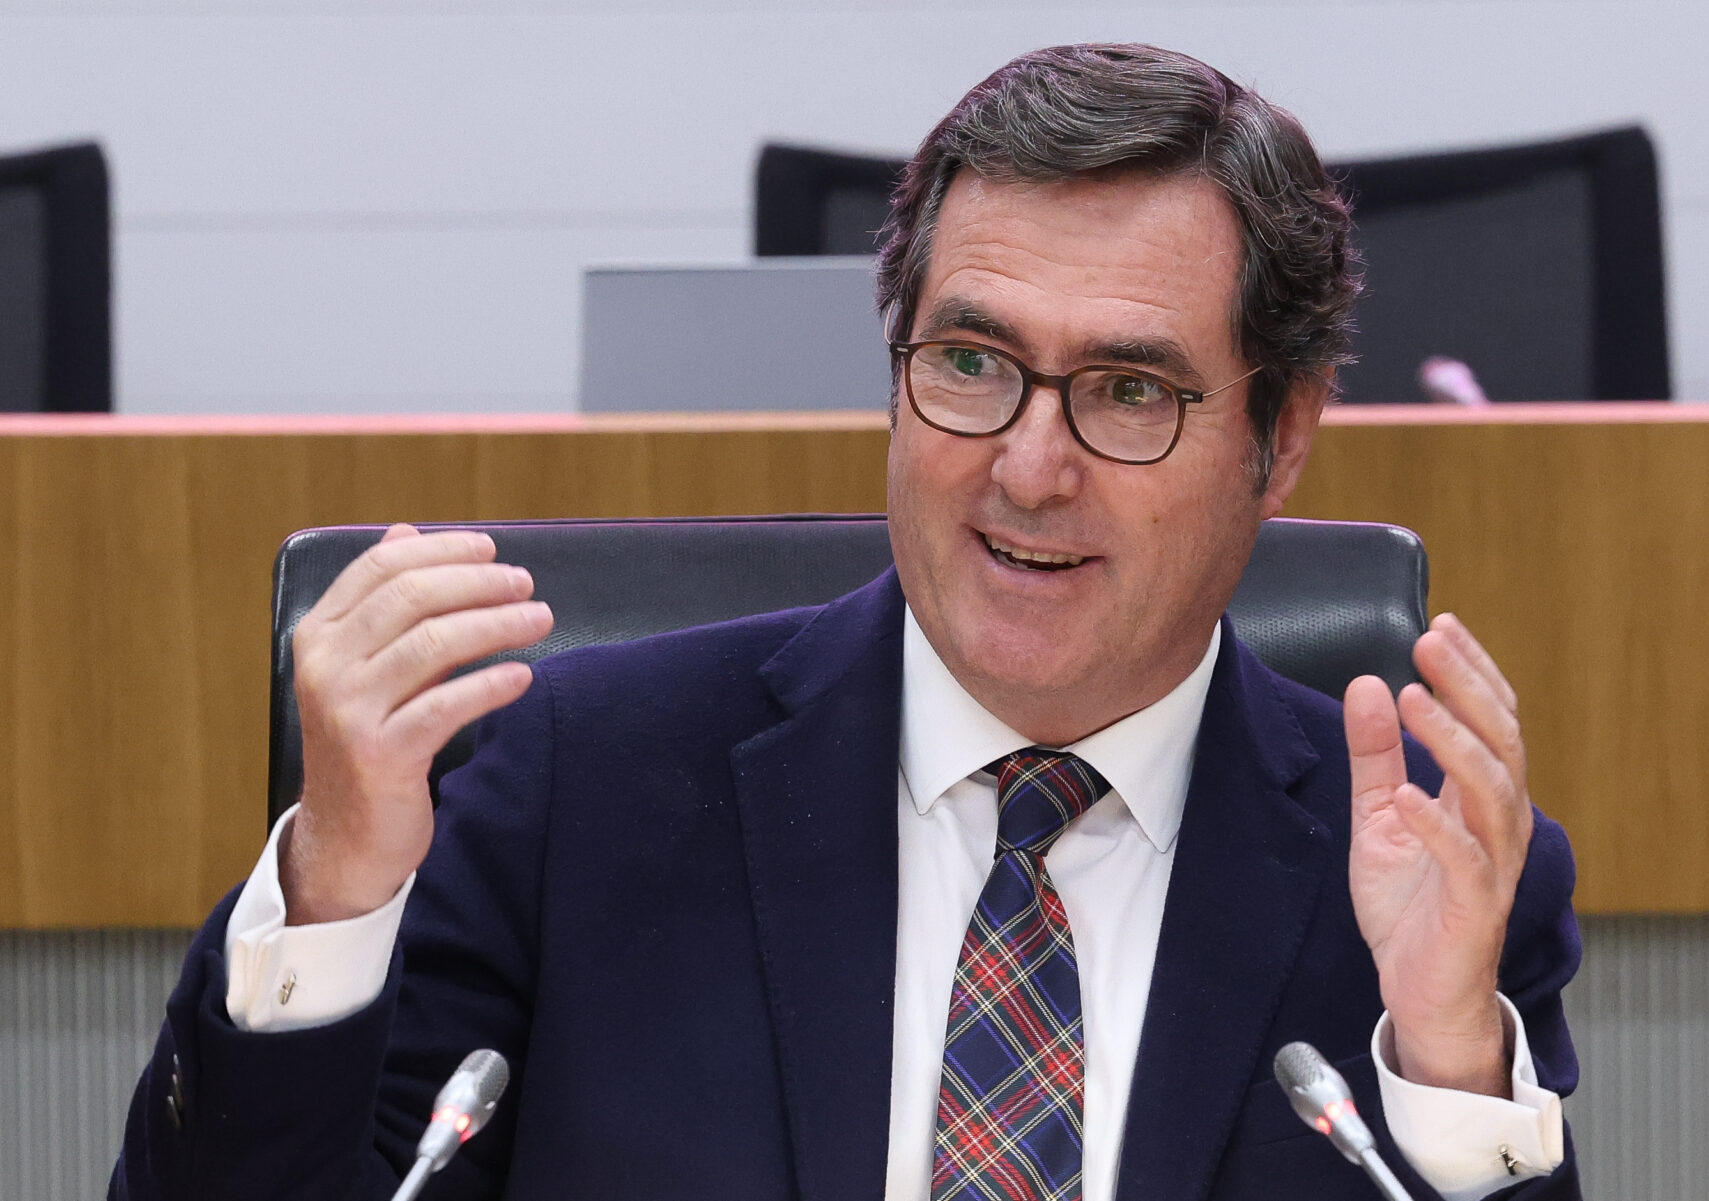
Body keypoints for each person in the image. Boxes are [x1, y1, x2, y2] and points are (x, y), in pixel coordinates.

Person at [113, 43, 1579, 1201]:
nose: (1028, 468)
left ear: (1284, 436)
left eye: (1129, 391)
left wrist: (1452, 1067)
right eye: (971, 362)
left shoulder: (1417, 869)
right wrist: (332, 896)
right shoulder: (575, 788)